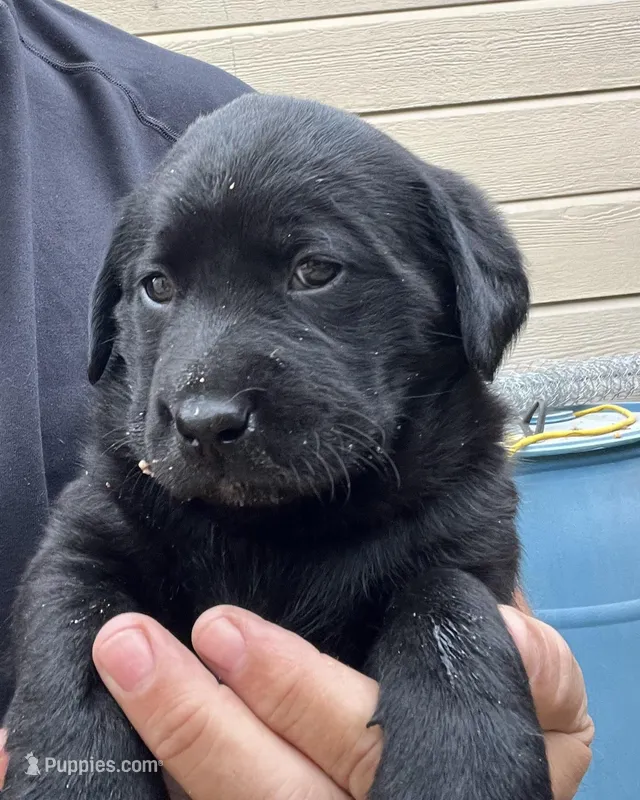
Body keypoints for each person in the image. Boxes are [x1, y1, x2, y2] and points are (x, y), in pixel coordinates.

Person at [0, 0, 593, 797]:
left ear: (465, 300)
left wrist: (463, 666)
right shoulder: (124, 504)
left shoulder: (155, 110)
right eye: (159, 287)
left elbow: (472, 602)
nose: (203, 401)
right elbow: (77, 579)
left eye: (315, 272)